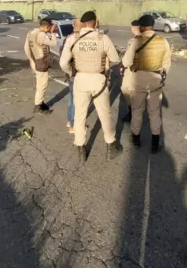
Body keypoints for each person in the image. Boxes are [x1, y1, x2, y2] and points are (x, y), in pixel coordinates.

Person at [59, 11, 121, 163]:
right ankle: (110, 146)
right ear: (95, 22)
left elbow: (62, 63)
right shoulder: (103, 38)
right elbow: (115, 58)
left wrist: (71, 73)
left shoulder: (73, 38)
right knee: (104, 114)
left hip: (80, 79)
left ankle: (81, 150)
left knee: (79, 116)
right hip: (98, 80)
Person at [122, 14, 172, 154]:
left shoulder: (136, 41)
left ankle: (136, 139)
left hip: (138, 79)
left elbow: (126, 62)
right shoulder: (163, 41)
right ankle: (155, 143)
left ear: (142, 27)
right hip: (156, 78)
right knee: (154, 112)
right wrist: (162, 75)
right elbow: (167, 63)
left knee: (137, 111)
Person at [25, 18, 59, 114]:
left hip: (35, 61)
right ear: (47, 26)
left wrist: (31, 60)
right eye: (50, 27)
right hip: (41, 63)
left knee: (40, 83)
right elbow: (54, 43)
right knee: (42, 85)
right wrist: (53, 33)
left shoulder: (31, 33)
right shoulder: (41, 34)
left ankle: (40, 102)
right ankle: (38, 106)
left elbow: (26, 47)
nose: (50, 28)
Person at [120, 20, 142, 123]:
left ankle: (133, 113)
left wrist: (122, 65)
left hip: (134, 70)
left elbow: (127, 60)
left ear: (133, 29)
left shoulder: (134, 41)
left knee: (126, 89)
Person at [65, 18, 83, 133]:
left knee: (72, 99)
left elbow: (63, 60)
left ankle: (69, 121)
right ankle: (73, 124)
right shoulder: (83, 39)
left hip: (71, 73)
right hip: (79, 74)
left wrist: (68, 71)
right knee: (78, 102)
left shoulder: (68, 38)